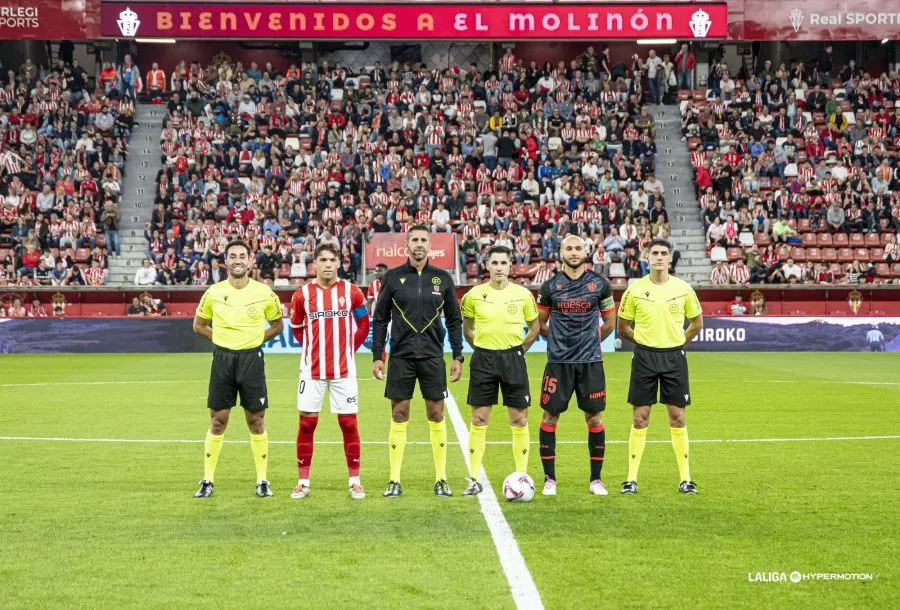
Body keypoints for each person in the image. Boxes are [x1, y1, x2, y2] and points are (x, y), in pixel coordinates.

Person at [372, 225, 464, 497]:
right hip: (401, 356)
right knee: (399, 413)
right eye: (415, 240)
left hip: (433, 356)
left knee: (436, 414)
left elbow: (455, 320)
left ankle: (441, 478)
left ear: (429, 245)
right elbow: (380, 319)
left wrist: (457, 355)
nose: (419, 244)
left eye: (424, 240)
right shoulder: (392, 277)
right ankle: (394, 479)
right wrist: (378, 355)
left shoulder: (443, 279)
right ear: (407, 245)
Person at [192, 241, 285, 498]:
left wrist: (254, 340)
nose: (237, 260)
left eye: (242, 256)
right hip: (223, 360)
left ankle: (262, 480)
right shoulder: (213, 292)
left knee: (256, 421)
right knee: (217, 421)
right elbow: (199, 325)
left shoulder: (265, 293)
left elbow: (278, 325)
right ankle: (208, 480)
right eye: (232, 256)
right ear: (225, 261)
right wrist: (222, 341)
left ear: (250, 260)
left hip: (251, 360)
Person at [617, 239, 704, 495]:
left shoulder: (684, 288)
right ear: (647, 257)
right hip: (644, 358)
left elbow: (697, 324)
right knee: (640, 418)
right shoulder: (634, 290)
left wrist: (679, 343)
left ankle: (686, 479)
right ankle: (631, 479)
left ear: (670, 259)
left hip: (674, 359)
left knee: (677, 417)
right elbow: (623, 328)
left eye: (663, 253)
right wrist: (644, 343)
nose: (658, 257)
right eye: (654, 253)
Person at [535, 235, 616, 496]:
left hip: (591, 362)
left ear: (586, 251)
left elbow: (610, 324)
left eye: (578, 248)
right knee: (550, 416)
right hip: (558, 362)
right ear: (560, 252)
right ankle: (550, 480)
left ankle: (596, 480)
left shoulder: (599, 284)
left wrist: (590, 342)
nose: (573, 252)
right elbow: (541, 323)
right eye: (568, 248)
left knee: (594, 417)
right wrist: (560, 342)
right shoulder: (549, 286)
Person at [289, 243, 370, 500]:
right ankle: (303, 482)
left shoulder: (352, 291)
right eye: (322, 259)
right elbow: (296, 327)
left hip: (344, 370)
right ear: (314, 263)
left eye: (331, 259)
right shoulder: (301, 294)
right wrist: (313, 349)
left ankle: (355, 481)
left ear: (339, 263)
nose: (327, 264)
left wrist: (347, 349)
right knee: (307, 423)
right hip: (312, 370)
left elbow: (363, 325)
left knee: (348, 423)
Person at [460, 245, 540, 496]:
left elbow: (534, 327)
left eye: (503, 263)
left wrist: (519, 350)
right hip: (483, 360)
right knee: (479, 419)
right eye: (494, 263)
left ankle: (522, 476)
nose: (499, 268)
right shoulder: (473, 295)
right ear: (487, 266)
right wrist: (482, 347)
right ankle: (473, 478)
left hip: (513, 359)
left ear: (511, 266)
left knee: (519, 419)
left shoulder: (523, 294)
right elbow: (468, 328)